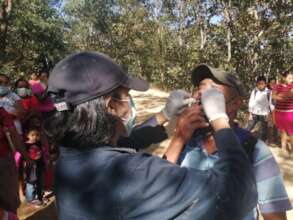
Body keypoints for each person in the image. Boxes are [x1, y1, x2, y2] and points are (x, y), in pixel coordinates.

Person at [43, 52, 257, 220]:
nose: (130, 106)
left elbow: (128, 142)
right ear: (110, 106)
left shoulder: (70, 157)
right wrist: (219, 119)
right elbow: (236, 192)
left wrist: (164, 115)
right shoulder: (136, 175)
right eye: (128, 98)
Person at [170, 64, 292, 220]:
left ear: (235, 104)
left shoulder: (254, 150)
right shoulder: (187, 138)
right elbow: (158, 188)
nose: (200, 95)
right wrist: (178, 139)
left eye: (212, 91)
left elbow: (275, 216)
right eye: (199, 89)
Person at [0, 107, 31, 219]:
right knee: (9, 203)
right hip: (4, 162)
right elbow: (14, 136)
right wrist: (27, 157)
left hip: (4, 161)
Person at [272, 70, 293, 154]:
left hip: (290, 113)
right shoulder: (278, 86)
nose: (292, 79)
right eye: (290, 77)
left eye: (292, 77)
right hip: (279, 112)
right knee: (282, 131)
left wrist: (278, 96)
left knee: (291, 132)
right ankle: (283, 148)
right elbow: (273, 96)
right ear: (284, 78)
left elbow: (285, 97)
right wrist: (277, 96)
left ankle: (292, 150)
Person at [24, 127, 45, 206]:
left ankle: (39, 197)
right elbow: (24, 157)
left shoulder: (39, 143)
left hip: (39, 165)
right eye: (32, 135)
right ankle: (30, 199)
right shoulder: (25, 145)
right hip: (30, 167)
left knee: (39, 181)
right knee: (31, 182)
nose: (35, 137)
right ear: (27, 135)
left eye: (37, 135)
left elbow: (41, 154)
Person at [247, 76, 271, 141]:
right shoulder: (254, 91)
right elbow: (251, 102)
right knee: (248, 128)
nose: (260, 85)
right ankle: (243, 139)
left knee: (264, 131)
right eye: (259, 84)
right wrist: (250, 114)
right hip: (254, 113)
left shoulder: (268, 92)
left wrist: (268, 115)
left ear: (265, 84)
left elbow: (270, 104)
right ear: (257, 84)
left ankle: (262, 142)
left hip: (264, 114)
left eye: (262, 83)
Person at [267, 77, 278, 145]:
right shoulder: (267, 91)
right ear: (269, 83)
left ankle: (275, 139)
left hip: (276, 110)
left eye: (274, 83)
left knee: (275, 125)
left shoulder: (276, 91)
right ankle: (270, 140)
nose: (273, 84)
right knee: (269, 125)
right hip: (269, 110)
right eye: (271, 83)